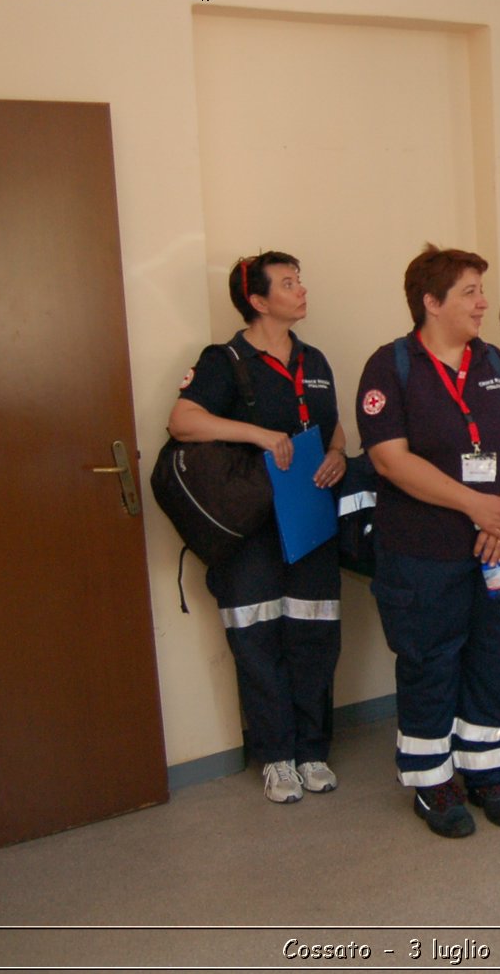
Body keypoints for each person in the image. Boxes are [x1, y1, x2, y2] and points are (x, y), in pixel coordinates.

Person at [356, 244, 500, 838]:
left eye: (480, 290)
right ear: (431, 303)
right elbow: (389, 460)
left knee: (494, 657)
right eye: (469, 291)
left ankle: (488, 772)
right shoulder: (390, 367)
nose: (483, 302)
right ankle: (432, 781)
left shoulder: (494, 362)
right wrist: (476, 507)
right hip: (423, 552)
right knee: (430, 662)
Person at [168, 251, 347, 804]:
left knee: (314, 633)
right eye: (288, 283)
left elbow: (332, 425)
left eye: (300, 278)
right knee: (257, 637)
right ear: (258, 300)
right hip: (249, 525)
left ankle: (313, 750)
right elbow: (182, 420)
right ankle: (276, 757)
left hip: (309, 516)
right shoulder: (225, 359)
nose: (301, 290)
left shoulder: (314, 358)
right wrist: (259, 435)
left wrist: (338, 453)